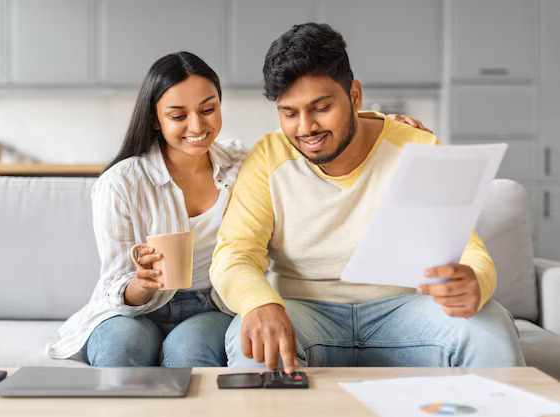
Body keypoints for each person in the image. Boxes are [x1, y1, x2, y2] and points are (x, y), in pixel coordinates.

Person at [46, 50, 429, 367]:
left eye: (208, 109)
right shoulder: (123, 182)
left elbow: (304, 134)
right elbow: (115, 285)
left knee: (189, 353)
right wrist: (140, 286)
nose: (196, 125)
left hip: (210, 304)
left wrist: (381, 125)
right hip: (133, 308)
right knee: (121, 352)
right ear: (155, 119)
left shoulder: (240, 162)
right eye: (178, 116)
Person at [210, 23, 525, 374]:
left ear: (355, 96)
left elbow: (470, 252)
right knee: (250, 336)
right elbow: (234, 254)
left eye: (321, 107)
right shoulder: (268, 158)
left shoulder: (417, 147)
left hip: (406, 310)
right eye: (289, 113)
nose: (306, 127)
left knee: (492, 325)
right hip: (304, 313)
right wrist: (258, 303)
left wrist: (473, 281)